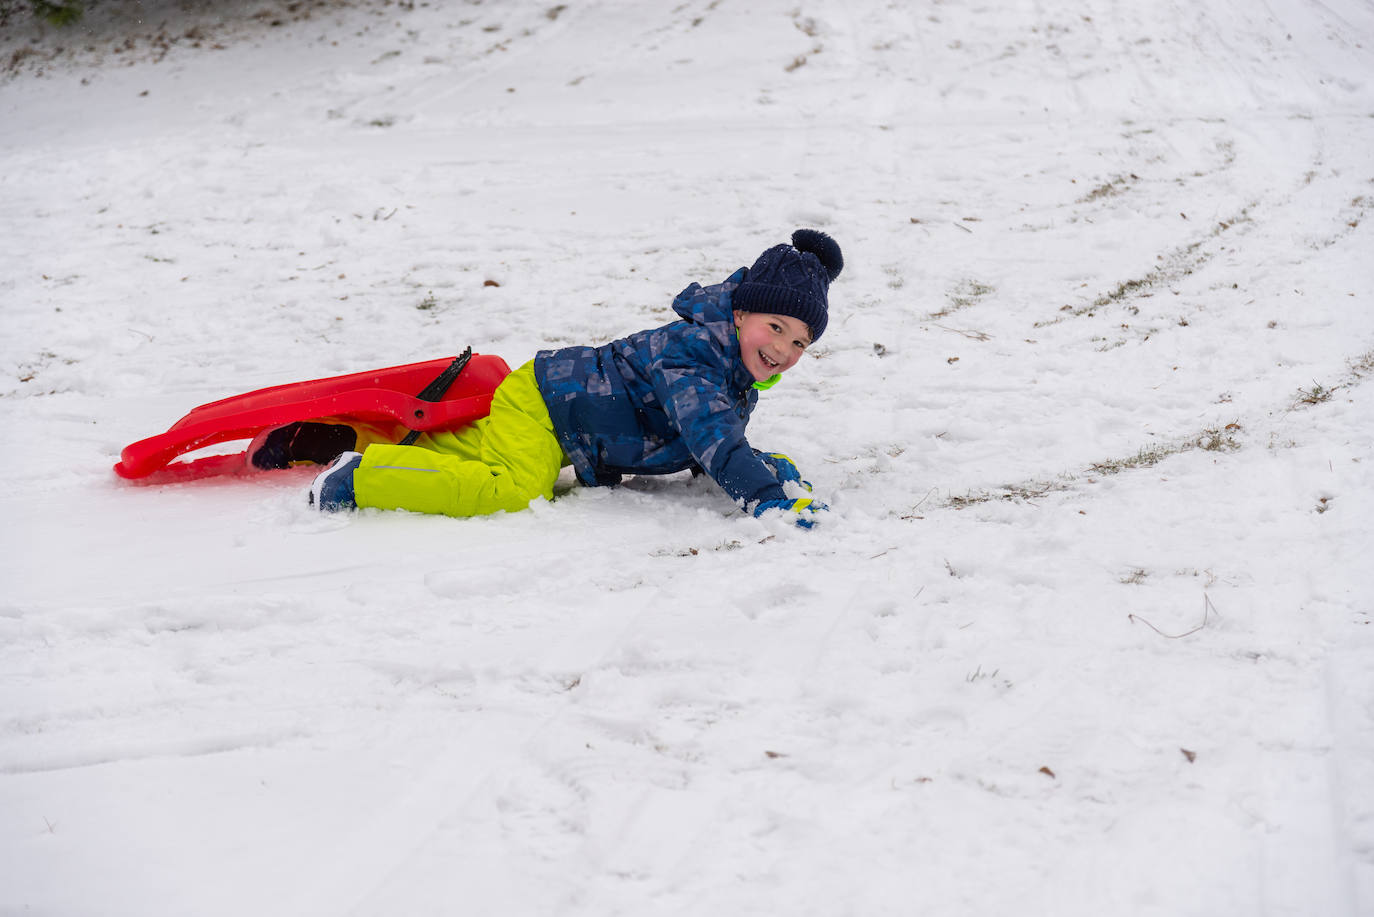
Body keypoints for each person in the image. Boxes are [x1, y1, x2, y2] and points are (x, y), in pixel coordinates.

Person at [255, 229, 842, 528]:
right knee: (512, 488)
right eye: (776, 326)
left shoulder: (726, 365)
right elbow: (712, 437)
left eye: (801, 342)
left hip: (553, 411)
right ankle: (359, 480)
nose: (785, 349)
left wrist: (763, 465)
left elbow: (704, 436)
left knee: (470, 454)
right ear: (740, 313)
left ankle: (340, 440)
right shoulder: (692, 357)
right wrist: (765, 500)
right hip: (549, 407)